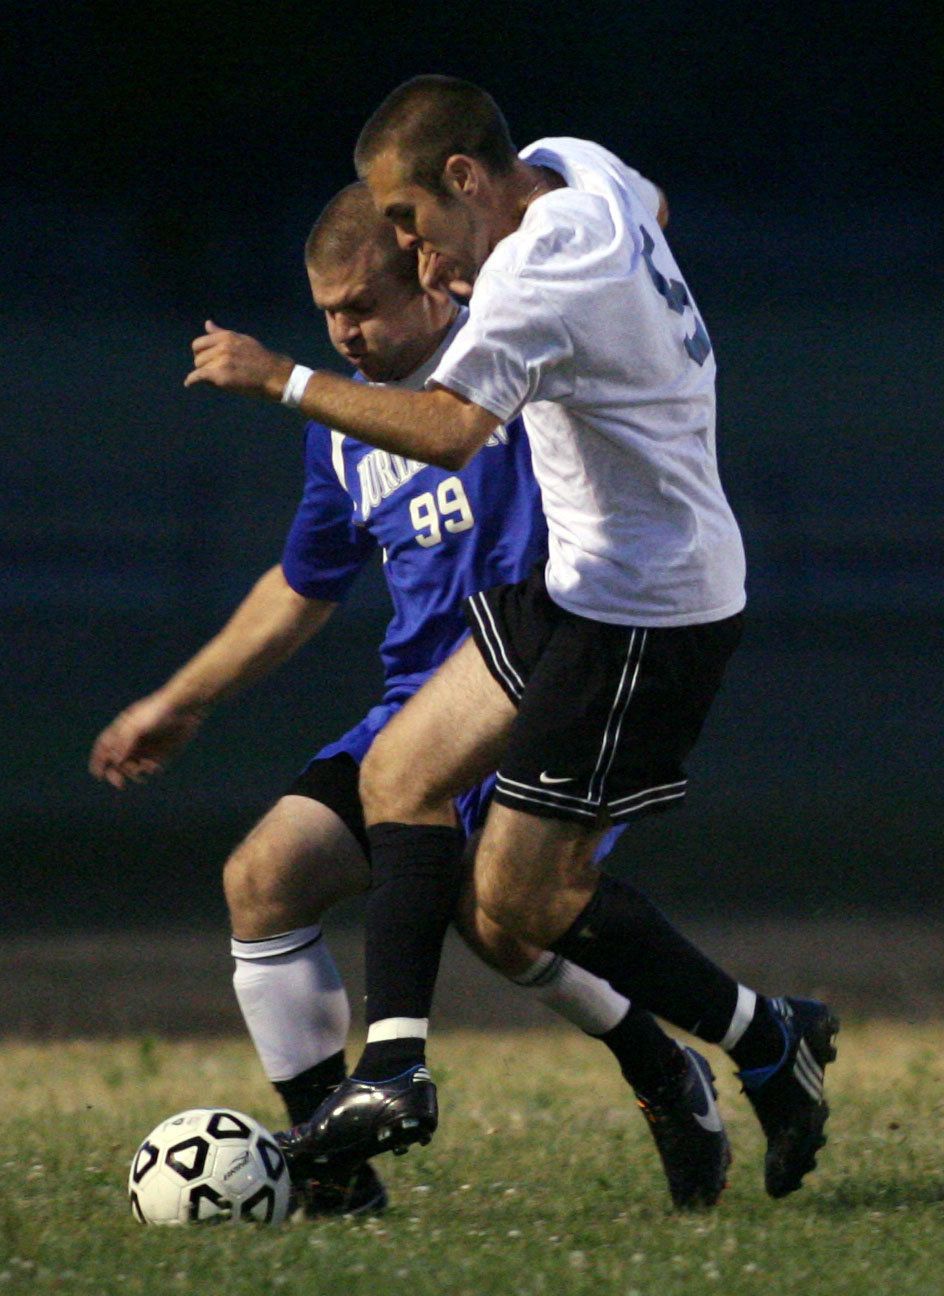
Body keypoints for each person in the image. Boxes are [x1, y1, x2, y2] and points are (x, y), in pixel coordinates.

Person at [184, 82, 838, 1204]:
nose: (408, 247)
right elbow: (657, 207)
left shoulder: (539, 272)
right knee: (399, 773)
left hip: (645, 606)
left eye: (410, 221)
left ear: (466, 181)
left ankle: (763, 1035)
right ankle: (395, 1066)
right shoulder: (572, 163)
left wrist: (281, 378)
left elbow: (447, 432)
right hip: (576, 582)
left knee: (520, 902)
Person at [92, 181, 734, 1213]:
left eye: (362, 307)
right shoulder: (344, 421)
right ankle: (340, 1180)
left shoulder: (511, 358)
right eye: (327, 315)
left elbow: (624, 241)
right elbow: (304, 585)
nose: (344, 335)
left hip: (530, 691)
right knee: (262, 878)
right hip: (412, 708)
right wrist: (182, 698)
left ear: (434, 280)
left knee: (499, 916)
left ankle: (665, 1069)